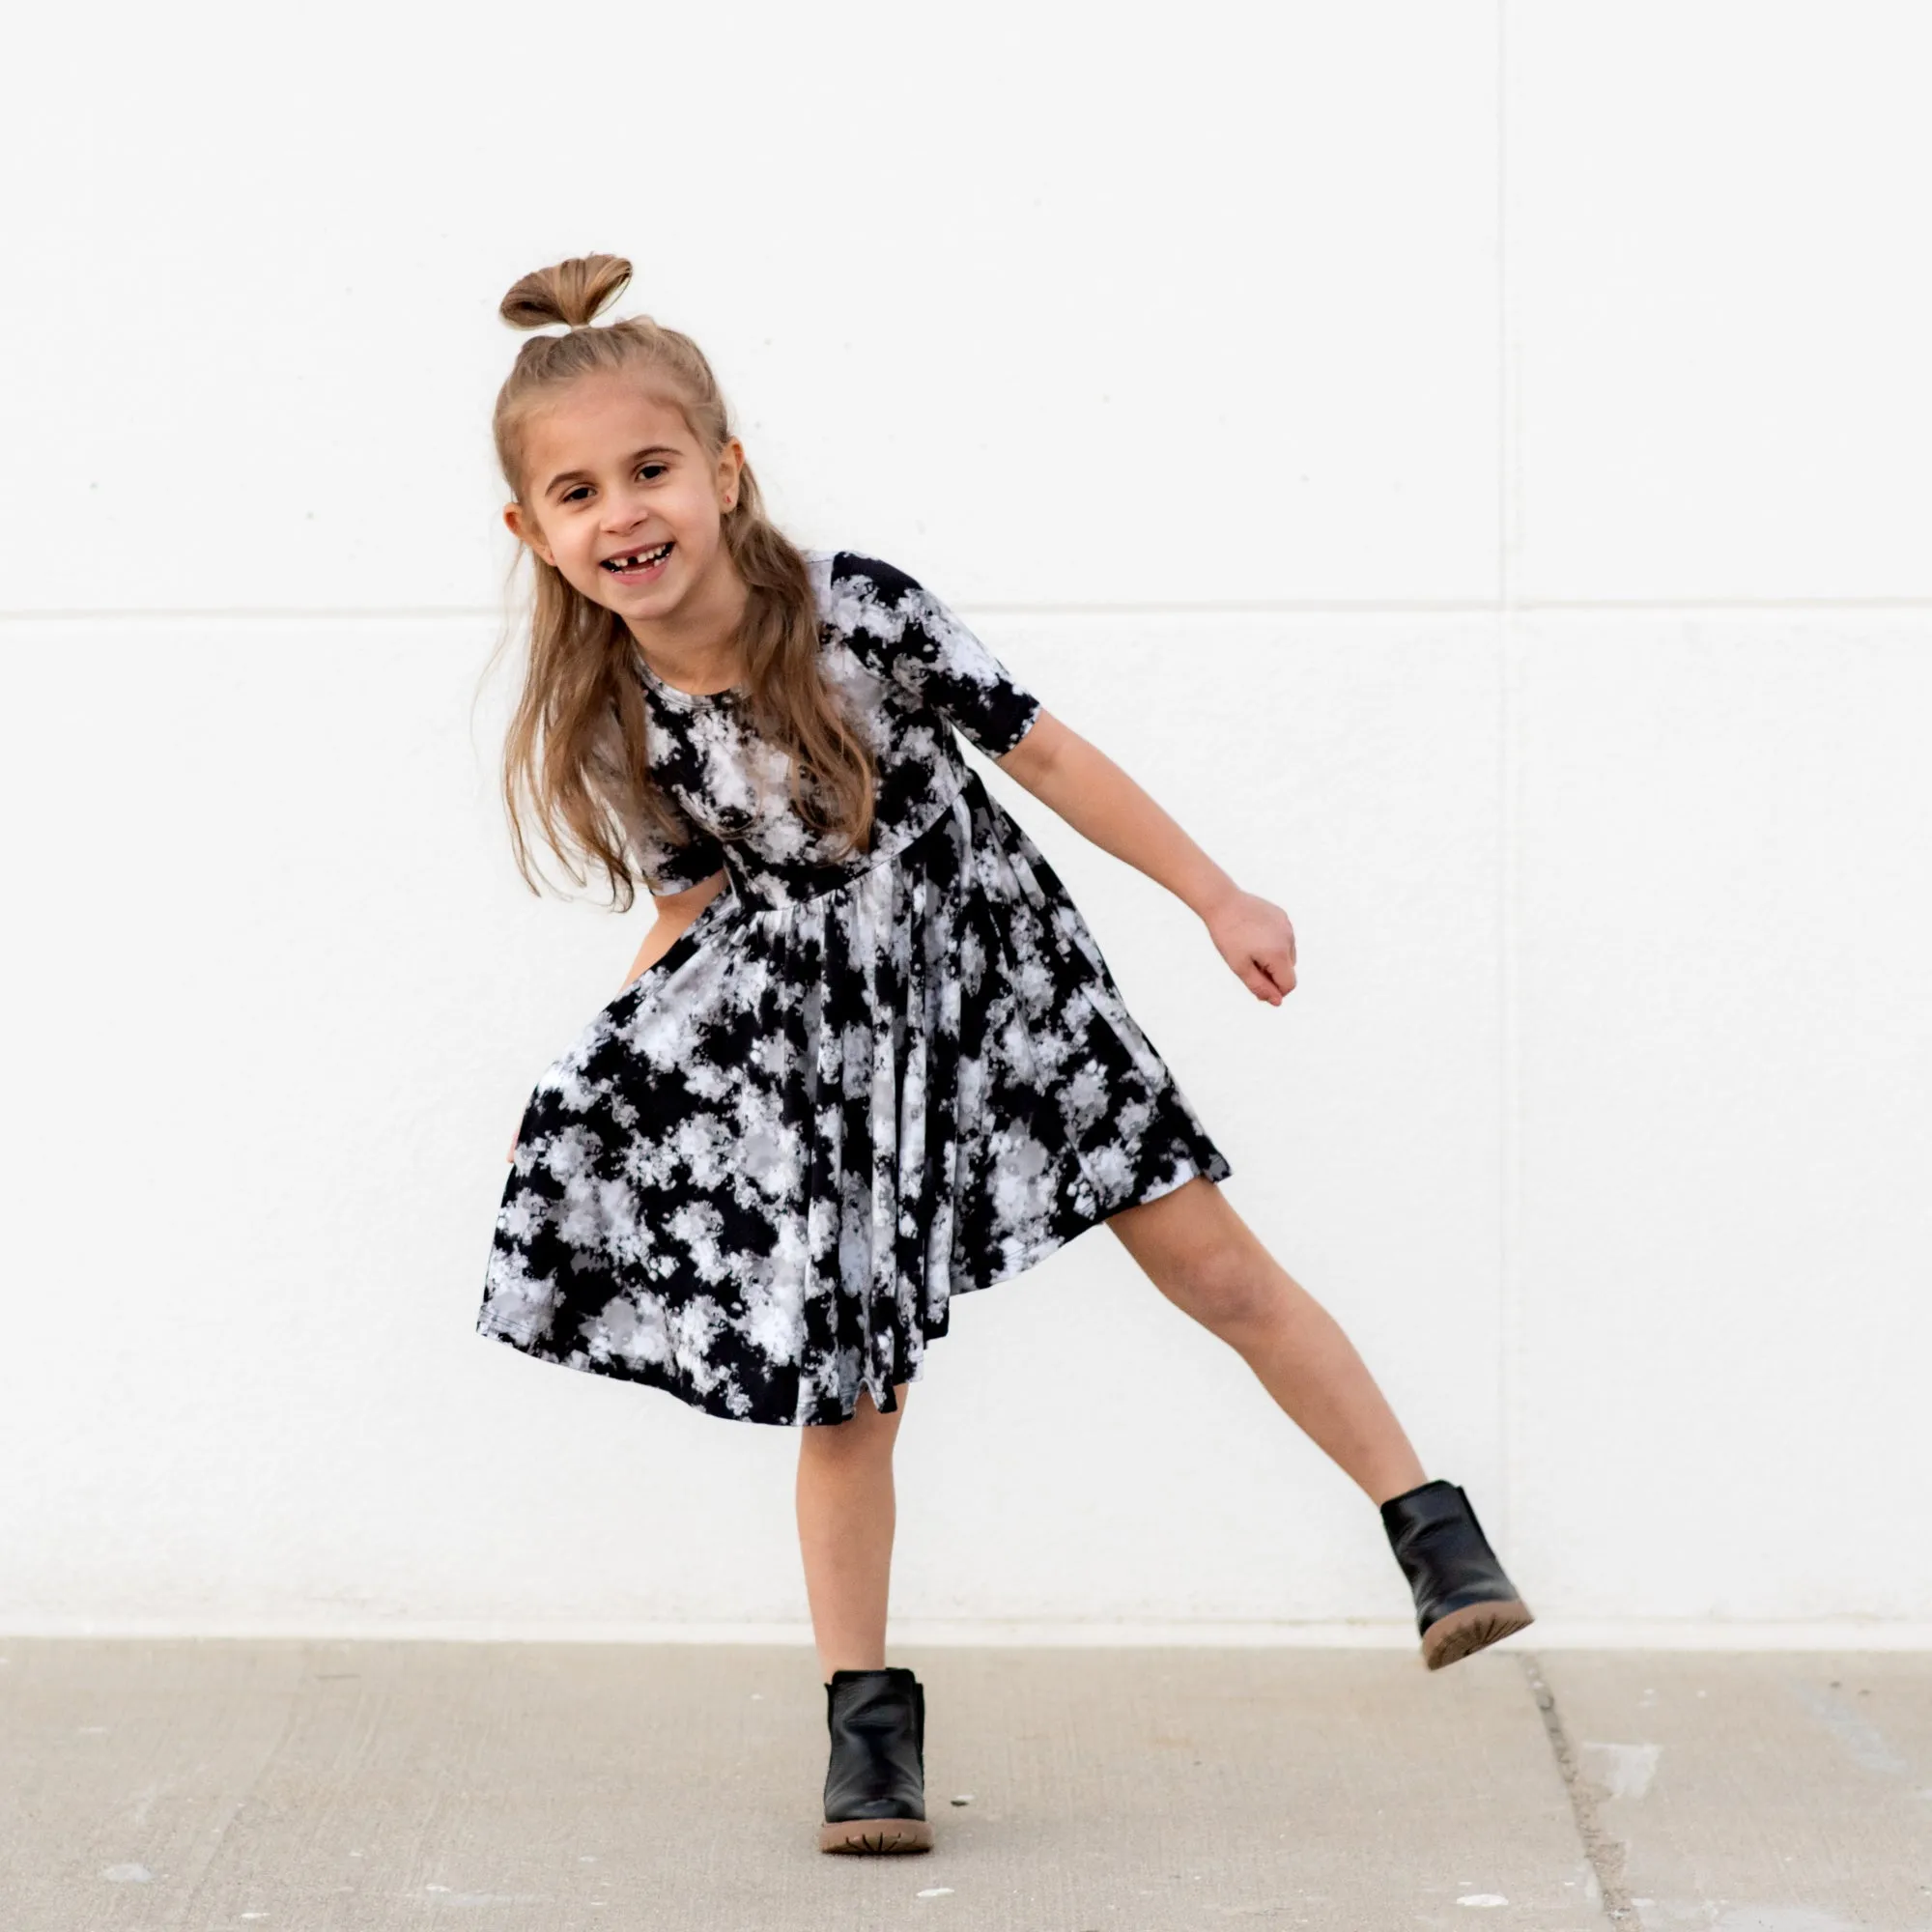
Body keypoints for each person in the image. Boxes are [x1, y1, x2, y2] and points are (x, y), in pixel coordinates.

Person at [475, 252, 1531, 1858]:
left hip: (1011, 998)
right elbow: (695, 901)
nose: (624, 512)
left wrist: (1214, 893)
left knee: (1212, 1264)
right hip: (835, 1066)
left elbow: (1049, 754)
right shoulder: (619, 715)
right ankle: (867, 1741)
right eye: (578, 491)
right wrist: (599, 1090)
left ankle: (1433, 1534)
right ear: (531, 532)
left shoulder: (861, 614)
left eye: (651, 469)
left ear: (724, 468)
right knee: (852, 1399)